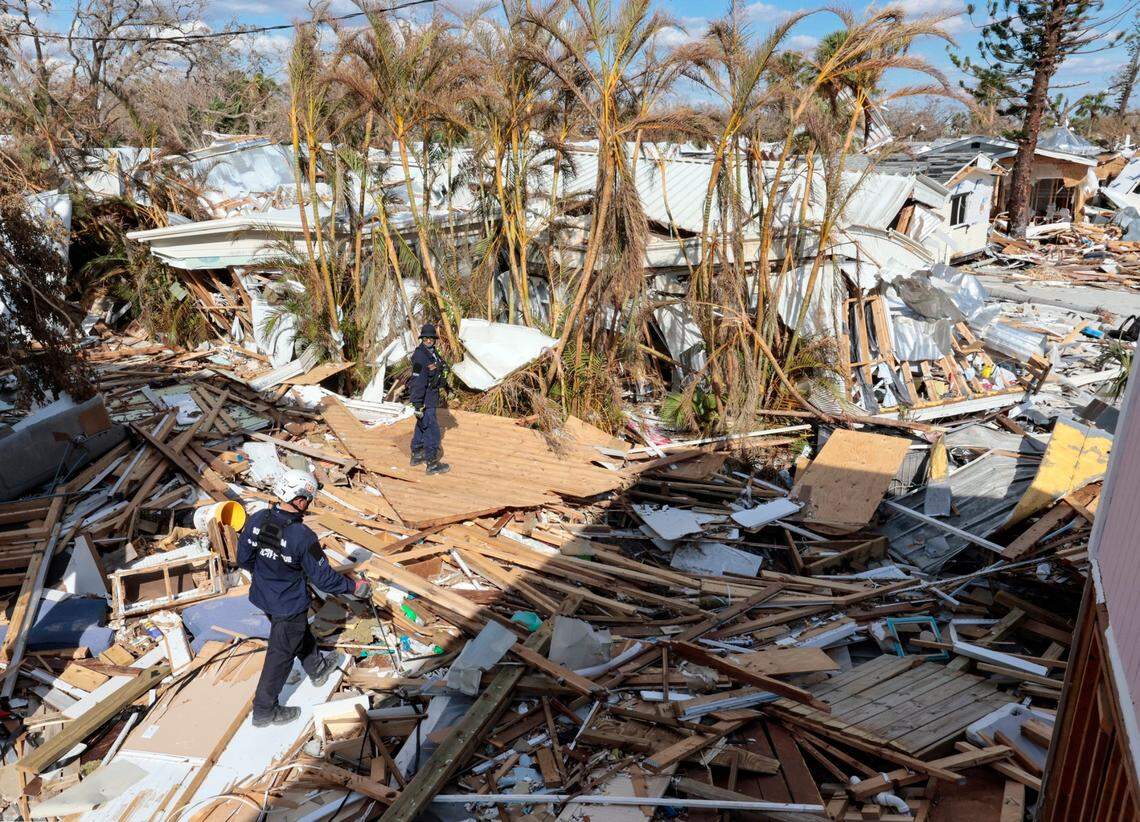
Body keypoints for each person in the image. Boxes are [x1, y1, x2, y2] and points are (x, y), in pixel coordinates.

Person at [238, 468, 370, 727]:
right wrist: (354, 588)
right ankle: (264, 710)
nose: (307, 505)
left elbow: (244, 559)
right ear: (300, 499)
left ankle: (317, 667)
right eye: (308, 500)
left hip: (264, 595)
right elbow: (324, 580)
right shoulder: (302, 536)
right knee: (280, 654)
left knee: (295, 633)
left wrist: (270, 575)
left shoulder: (257, 519)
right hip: (288, 604)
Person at [409, 323, 450, 475]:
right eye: (425, 338)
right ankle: (432, 464)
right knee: (432, 430)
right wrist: (418, 405)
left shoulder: (432, 353)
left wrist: (444, 372)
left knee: (421, 425)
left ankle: (417, 454)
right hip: (425, 400)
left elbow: (441, 366)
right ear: (422, 339)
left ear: (434, 339)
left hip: (431, 397)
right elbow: (417, 382)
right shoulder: (420, 357)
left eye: (431, 338)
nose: (428, 340)